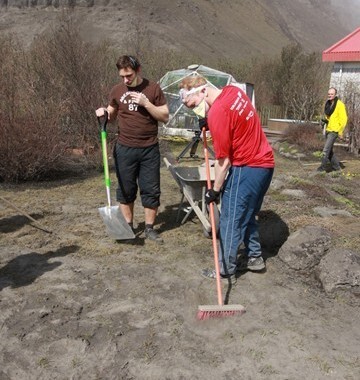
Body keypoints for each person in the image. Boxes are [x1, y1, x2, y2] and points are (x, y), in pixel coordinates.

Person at [180, 77, 275, 284]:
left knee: (230, 218)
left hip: (247, 167)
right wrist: (208, 120)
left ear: (203, 91)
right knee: (248, 213)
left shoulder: (217, 113)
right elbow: (234, 124)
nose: (195, 110)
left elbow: (223, 162)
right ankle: (255, 257)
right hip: (266, 164)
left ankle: (225, 270)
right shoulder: (233, 91)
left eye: (194, 105)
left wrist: (214, 191)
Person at [96, 55, 169, 243]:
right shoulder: (117, 90)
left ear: (138, 70)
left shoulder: (153, 89)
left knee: (151, 189)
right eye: (122, 76)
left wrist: (146, 103)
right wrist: (104, 113)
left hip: (149, 148)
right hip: (125, 148)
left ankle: (150, 228)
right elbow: (111, 115)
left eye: (128, 75)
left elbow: (165, 116)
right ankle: (128, 227)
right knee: (126, 189)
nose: (125, 80)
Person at [317, 87, 348, 172]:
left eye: (332, 94)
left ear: (335, 95)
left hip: (334, 131)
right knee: (329, 151)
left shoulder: (340, 105)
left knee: (326, 150)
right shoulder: (328, 103)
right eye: (329, 94)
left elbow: (344, 119)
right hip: (328, 129)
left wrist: (340, 131)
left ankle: (322, 168)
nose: (330, 95)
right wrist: (324, 120)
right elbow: (330, 117)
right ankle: (337, 167)